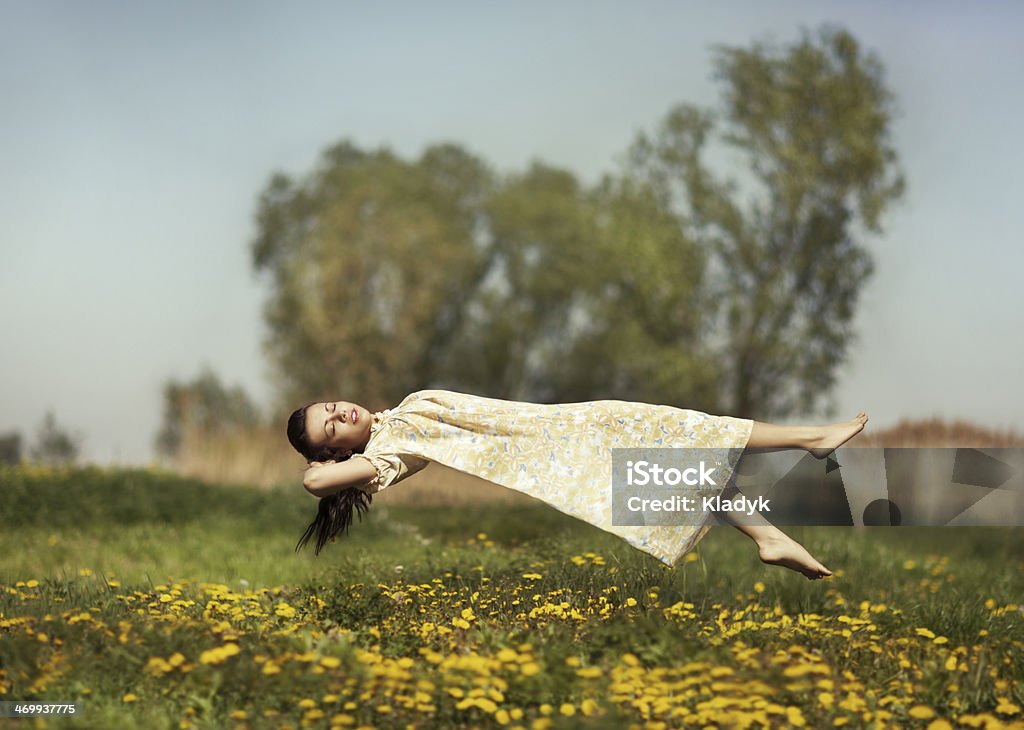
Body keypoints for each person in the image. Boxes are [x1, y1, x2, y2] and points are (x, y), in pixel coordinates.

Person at [286, 389, 868, 580]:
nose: (343, 415)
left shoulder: (401, 414)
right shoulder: (390, 452)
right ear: (336, 451)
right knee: (675, 433)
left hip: (561, 425)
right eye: (331, 428)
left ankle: (767, 536)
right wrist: (318, 470)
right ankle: (810, 438)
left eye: (335, 406)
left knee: (672, 456)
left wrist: (323, 458)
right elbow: (318, 485)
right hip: (554, 450)